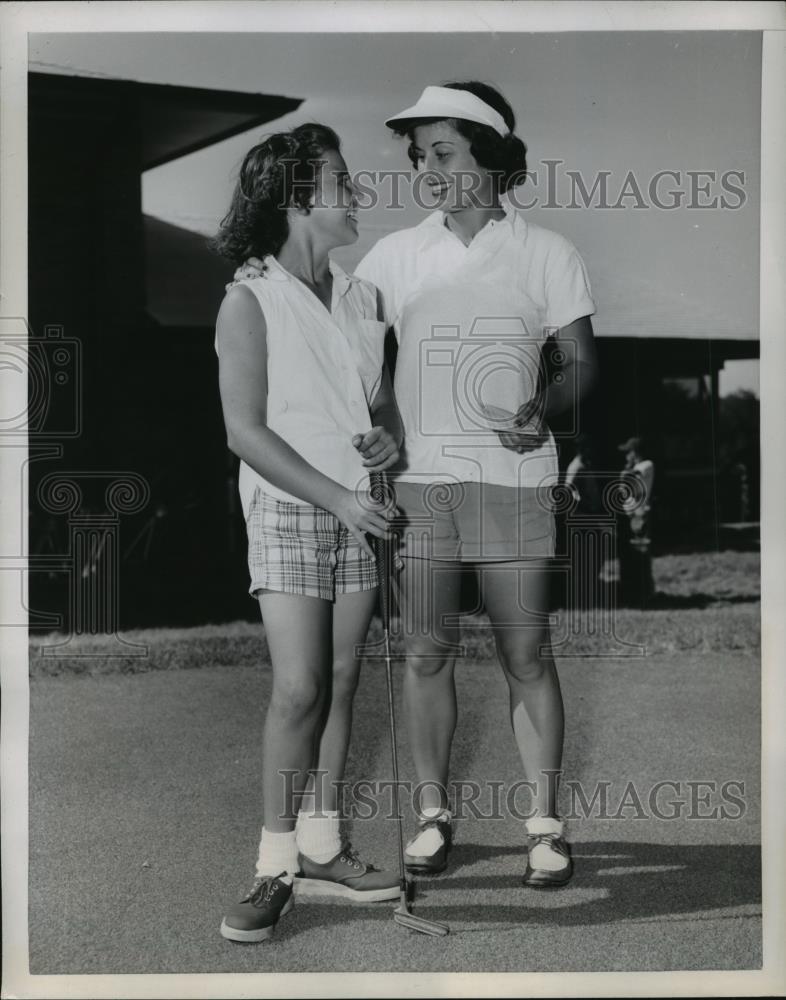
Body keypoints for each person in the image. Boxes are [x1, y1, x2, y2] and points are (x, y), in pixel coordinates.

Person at [354, 82, 599, 887]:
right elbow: (360, 369)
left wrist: (544, 404)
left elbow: (581, 365)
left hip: (517, 482)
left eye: (444, 152)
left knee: (525, 651)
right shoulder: (392, 255)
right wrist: (381, 427)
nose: (427, 168)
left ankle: (544, 825)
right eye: (420, 155)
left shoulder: (547, 252)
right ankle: (432, 816)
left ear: (489, 154)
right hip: (421, 489)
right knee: (425, 650)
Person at [212, 123, 403, 943]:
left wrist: (389, 439)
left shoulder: (364, 298)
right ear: (297, 197)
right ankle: (274, 864)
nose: (356, 193)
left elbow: (380, 404)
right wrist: (338, 496)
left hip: (361, 503)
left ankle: (323, 846)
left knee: (341, 677)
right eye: (341, 181)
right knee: (299, 689)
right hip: (295, 504)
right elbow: (244, 432)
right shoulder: (248, 296)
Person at [617, 436, 655, 605]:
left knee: (640, 553)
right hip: (631, 515)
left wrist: (625, 471)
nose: (626, 456)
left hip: (639, 516)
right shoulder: (636, 467)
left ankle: (645, 593)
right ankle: (635, 592)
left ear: (635, 452)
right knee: (631, 555)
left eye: (629, 452)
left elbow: (627, 478)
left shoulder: (646, 465)